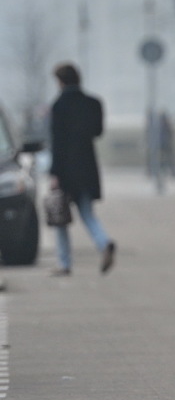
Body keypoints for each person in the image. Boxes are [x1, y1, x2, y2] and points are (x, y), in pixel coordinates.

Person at [48, 62, 115, 276]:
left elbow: (57, 143)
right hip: (86, 166)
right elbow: (97, 132)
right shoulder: (93, 103)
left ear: (60, 82)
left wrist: (55, 173)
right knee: (87, 214)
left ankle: (64, 263)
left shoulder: (58, 106)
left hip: (66, 170)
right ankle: (104, 243)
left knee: (60, 219)